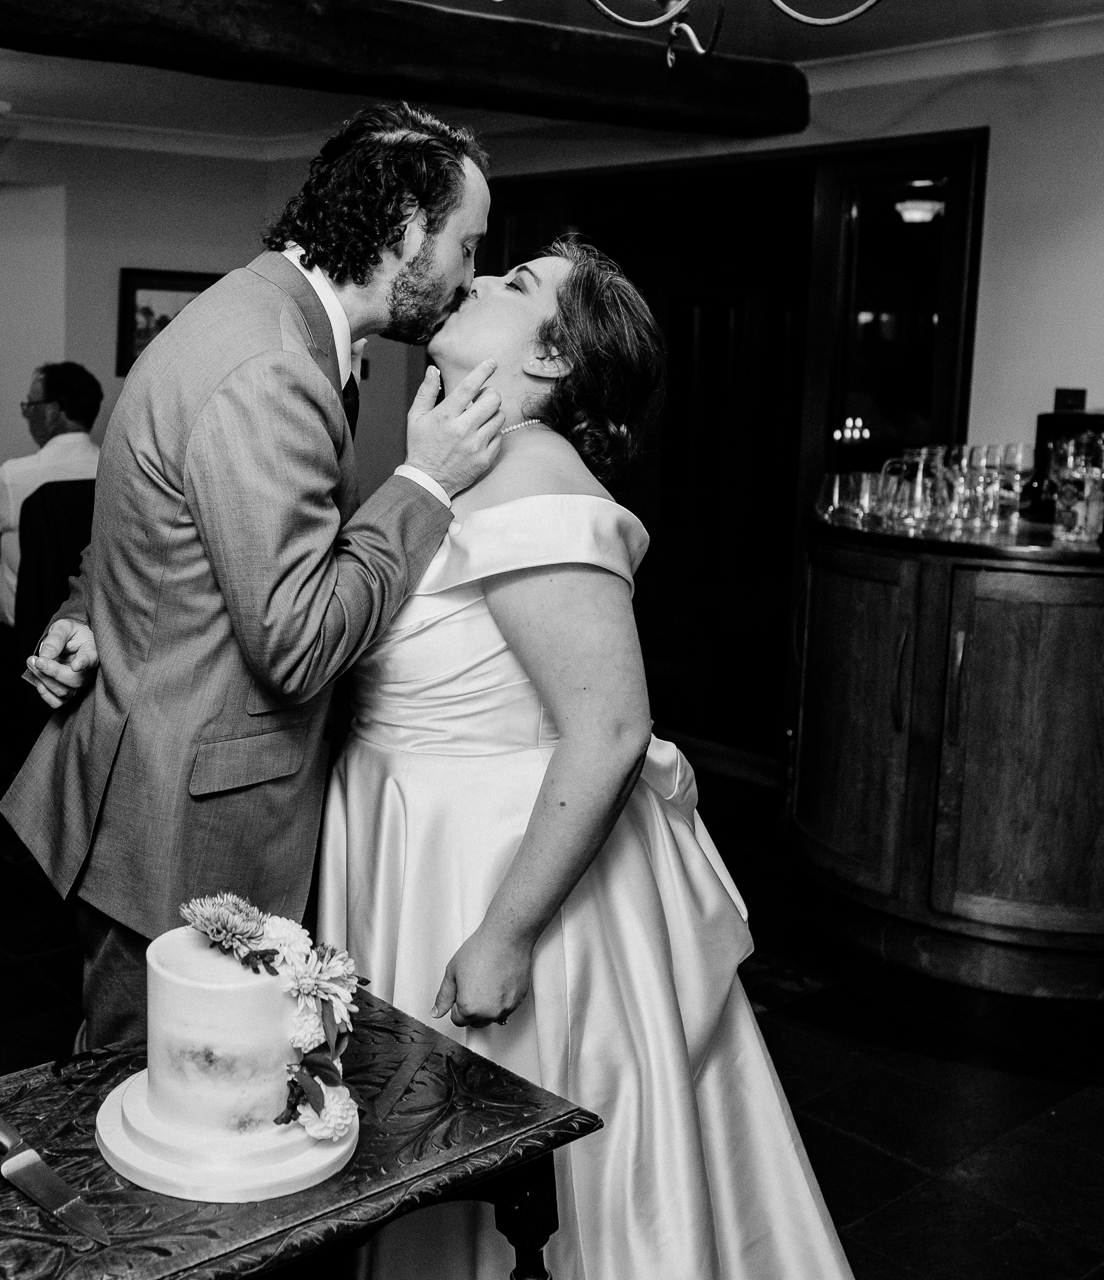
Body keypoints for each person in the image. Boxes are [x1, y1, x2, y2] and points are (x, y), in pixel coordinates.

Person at [318, 238, 853, 1278]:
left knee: (505, 1163)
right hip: (405, 828)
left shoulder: (531, 465)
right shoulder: (459, 454)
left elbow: (608, 728)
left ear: (558, 360)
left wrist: (507, 933)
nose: (474, 279)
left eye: (515, 284)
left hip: (488, 861)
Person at [1, 102, 509, 1048]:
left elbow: (158, 524)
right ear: (405, 233)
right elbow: (298, 644)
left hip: (155, 778)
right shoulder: (269, 363)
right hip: (182, 820)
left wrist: (84, 608)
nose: (469, 279)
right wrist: (426, 481)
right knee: (161, 1103)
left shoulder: (263, 317)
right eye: (468, 249)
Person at [0, 362, 105, 625]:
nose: (27, 414)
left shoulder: (14, 476)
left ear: (53, 411)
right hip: (94, 630)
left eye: (31, 405)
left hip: (30, 637)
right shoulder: (114, 471)